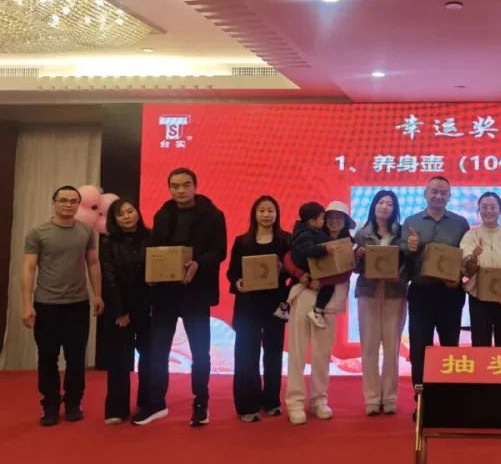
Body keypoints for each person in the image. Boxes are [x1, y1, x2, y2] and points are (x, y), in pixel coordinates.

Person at [132, 168, 227, 427]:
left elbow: (219, 250)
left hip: (197, 292)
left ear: (195, 186)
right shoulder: (163, 214)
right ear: (170, 188)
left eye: (186, 185)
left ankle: (201, 403)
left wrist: (199, 263)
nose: (181, 190)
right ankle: (156, 402)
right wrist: (152, 272)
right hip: (165, 293)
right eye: (175, 186)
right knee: (158, 350)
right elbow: (155, 250)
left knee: (200, 351)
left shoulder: (213, 215)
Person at [21, 186, 104, 426]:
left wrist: (98, 295)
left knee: (76, 357)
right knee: (48, 357)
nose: (68, 205)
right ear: (54, 202)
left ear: (79, 204)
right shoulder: (38, 233)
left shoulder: (86, 231)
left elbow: (93, 263)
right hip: (46, 305)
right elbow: (28, 268)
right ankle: (49, 404)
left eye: (73, 201)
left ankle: (73, 403)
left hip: (78, 304)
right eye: (63, 200)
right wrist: (26, 305)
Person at [401, 176, 469, 415]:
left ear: (449, 196)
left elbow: (466, 258)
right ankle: (422, 403)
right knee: (420, 349)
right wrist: (409, 249)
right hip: (421, 292)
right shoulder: (411, 222)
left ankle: (449, 402)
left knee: (450, 348)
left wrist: (459, 275)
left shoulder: (460, 223)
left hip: (450, 293)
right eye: (434, 191)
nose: (438, 196)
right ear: (425, 193)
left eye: (443, 192)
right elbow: (401, 256)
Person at [284, 201, 354, 424]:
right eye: (330, 217)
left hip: (329, 303)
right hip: (304, 294)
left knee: (322, 354)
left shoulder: (349, 244)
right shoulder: (312, 237)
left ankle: (318, 400)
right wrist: (302, 275)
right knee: (297, 350)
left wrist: (321, 281)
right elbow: (289, 258)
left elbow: (345, 273)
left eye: (339, 218)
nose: (334, 222)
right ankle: (295, 402)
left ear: (346, 222)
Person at [227, 195, 291, 423]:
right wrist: (238, 283)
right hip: (248, 304)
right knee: (246, 355)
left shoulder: (286, 240)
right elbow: (232, 272)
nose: (266, 215)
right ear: (254, 214)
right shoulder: (242, 241)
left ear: (277, 214)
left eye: (270, 210)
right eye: (261, 210)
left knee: (273, 354)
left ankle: (271, 401)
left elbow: (295, 272)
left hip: (275, 304)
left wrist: (283, 269)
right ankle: (248, 405)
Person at [354, 190, 407, 416]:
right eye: (381, 202)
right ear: (373, 205)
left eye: (389, 204)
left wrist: (399, 275)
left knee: (392, 347)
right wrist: (357, 257)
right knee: (369, 347)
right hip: (369, 293)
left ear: (395, 209)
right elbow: (355, 269)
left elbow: (409, 264)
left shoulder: (402, 233)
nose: (384, 207)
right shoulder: (361, 234)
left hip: (395, 293)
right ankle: (372, 399)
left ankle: (390, 398)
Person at [101, 198, 152, 425]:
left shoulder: (152, 237)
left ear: (137, 212)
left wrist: (152, 305)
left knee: (150, 357)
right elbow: (109, 278)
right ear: (114, 220)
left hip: (148, 306)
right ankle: (117, 408)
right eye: (120, 214)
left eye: (130, 211)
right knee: (120, 359)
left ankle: (147, 403)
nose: (126, 217)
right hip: (120, 308)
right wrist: (120, 311)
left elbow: (159, 272)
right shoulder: (108, 242)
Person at [460, 192, 501, 347]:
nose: (489, 211)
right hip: (479, 296)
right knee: (480, 343)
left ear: (500, 210)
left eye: (493, 207)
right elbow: (468, 269)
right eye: (484, 207)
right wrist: (474, 258)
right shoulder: (471, 235)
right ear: (479, 210)